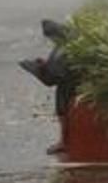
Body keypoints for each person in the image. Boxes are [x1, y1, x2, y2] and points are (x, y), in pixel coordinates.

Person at [18, 19, 76, 155]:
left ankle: (65, 141)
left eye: (51, 37)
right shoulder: (60, 46)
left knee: (65, 112)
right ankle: (64, 140)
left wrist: (42, 69)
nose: (51, 41)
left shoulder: (68, 47)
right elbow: (54, 67)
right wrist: (43, 65)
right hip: (63, 85)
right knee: (62, 113)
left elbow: (60, 71)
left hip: (69, 84)